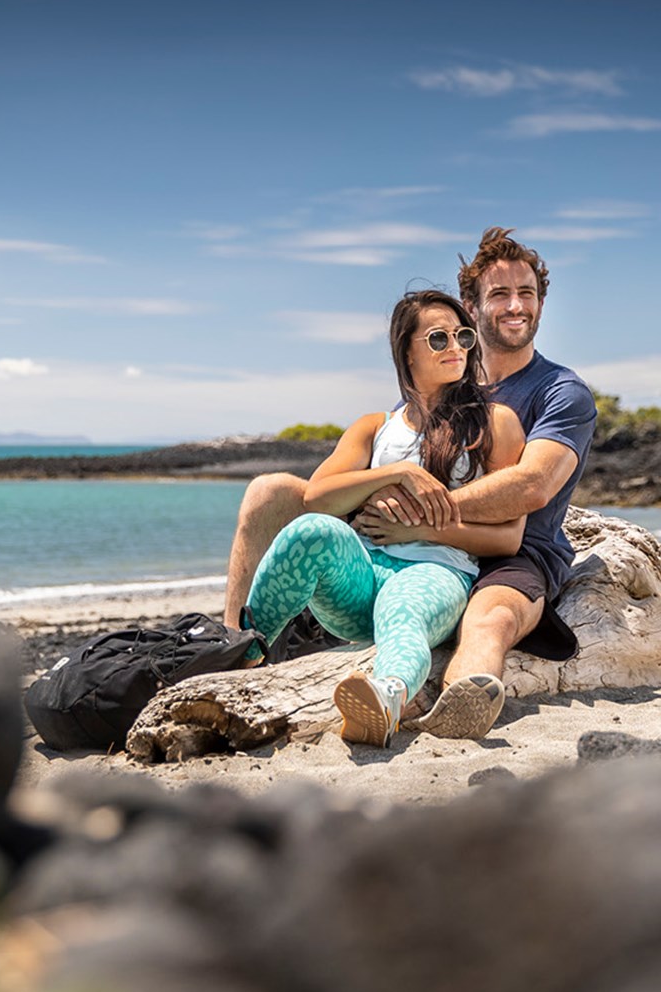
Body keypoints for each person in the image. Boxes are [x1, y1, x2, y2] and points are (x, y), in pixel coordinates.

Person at [225, 227, 597, 739]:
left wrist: (415, 518)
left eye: (526, 294)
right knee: (278, 499)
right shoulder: (407, 409)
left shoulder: (546, 397)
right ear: (471, 306)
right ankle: (232, 646)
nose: (515, 306)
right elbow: (321, 495)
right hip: (378, 559)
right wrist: (396, 480)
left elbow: (529, 488)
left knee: (480, 620)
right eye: (499, 295)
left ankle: (444, 699)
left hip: (509, 557)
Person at [239, 288, 525, 746]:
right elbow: (316, 497)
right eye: (438, 339)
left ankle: (385, 698)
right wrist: (397, 473)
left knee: (402, 609)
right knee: (311, 531)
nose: (455, 348)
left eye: (463, 336)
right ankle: (242, 652)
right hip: (362, 579)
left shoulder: (495, 422)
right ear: (406, 352)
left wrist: (423, 528)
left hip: (436, 572)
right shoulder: (374, 427)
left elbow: (509, 538)